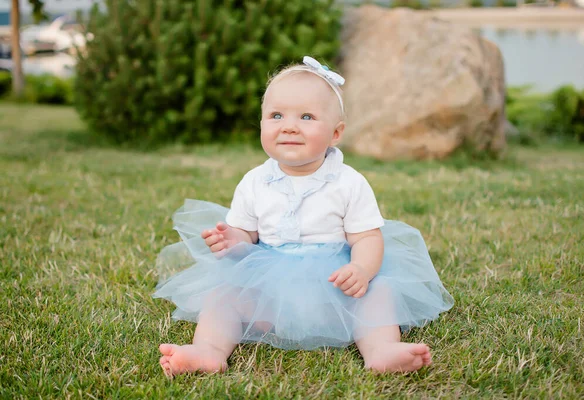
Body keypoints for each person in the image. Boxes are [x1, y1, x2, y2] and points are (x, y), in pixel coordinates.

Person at [153, 56, 454, 376]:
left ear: (336, 134)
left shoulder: (348, 182)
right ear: (262, 125)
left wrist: (361, 269)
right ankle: (208, 351)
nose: (289, 125)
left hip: (336, 291)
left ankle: (382, 350)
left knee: (379, 292)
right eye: (276, 115)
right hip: (269, 291)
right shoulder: (255, 181)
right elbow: (246, 233)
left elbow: (367, 237)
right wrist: (232, 239)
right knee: (223, 295)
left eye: (307, 116)